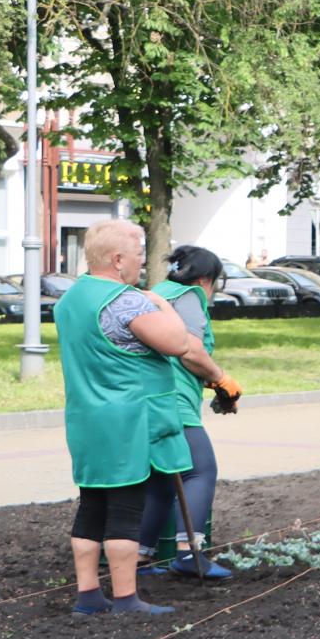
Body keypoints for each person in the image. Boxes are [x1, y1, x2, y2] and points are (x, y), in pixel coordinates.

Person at [55, 219, 220, 617]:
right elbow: (179, 343)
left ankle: (88, 596)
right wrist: (162, 305)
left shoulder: (70, 299)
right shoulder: (125, 301)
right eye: (138, 254)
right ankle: (126, 599)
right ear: (117, 260)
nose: (142, 262)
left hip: (86, 419)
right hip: (129, 420)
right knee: (125, 511)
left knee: (91, 507)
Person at [136, 245, 240, 581]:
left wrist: (213, 385)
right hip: (174, 402)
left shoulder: (156, 292)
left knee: (163, 481)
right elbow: (191, 352)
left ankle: (139, 558)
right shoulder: (190, 296)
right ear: (207, 279)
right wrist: (222, 379)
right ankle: (189, 554)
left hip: (144, 399)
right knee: (200, 471)